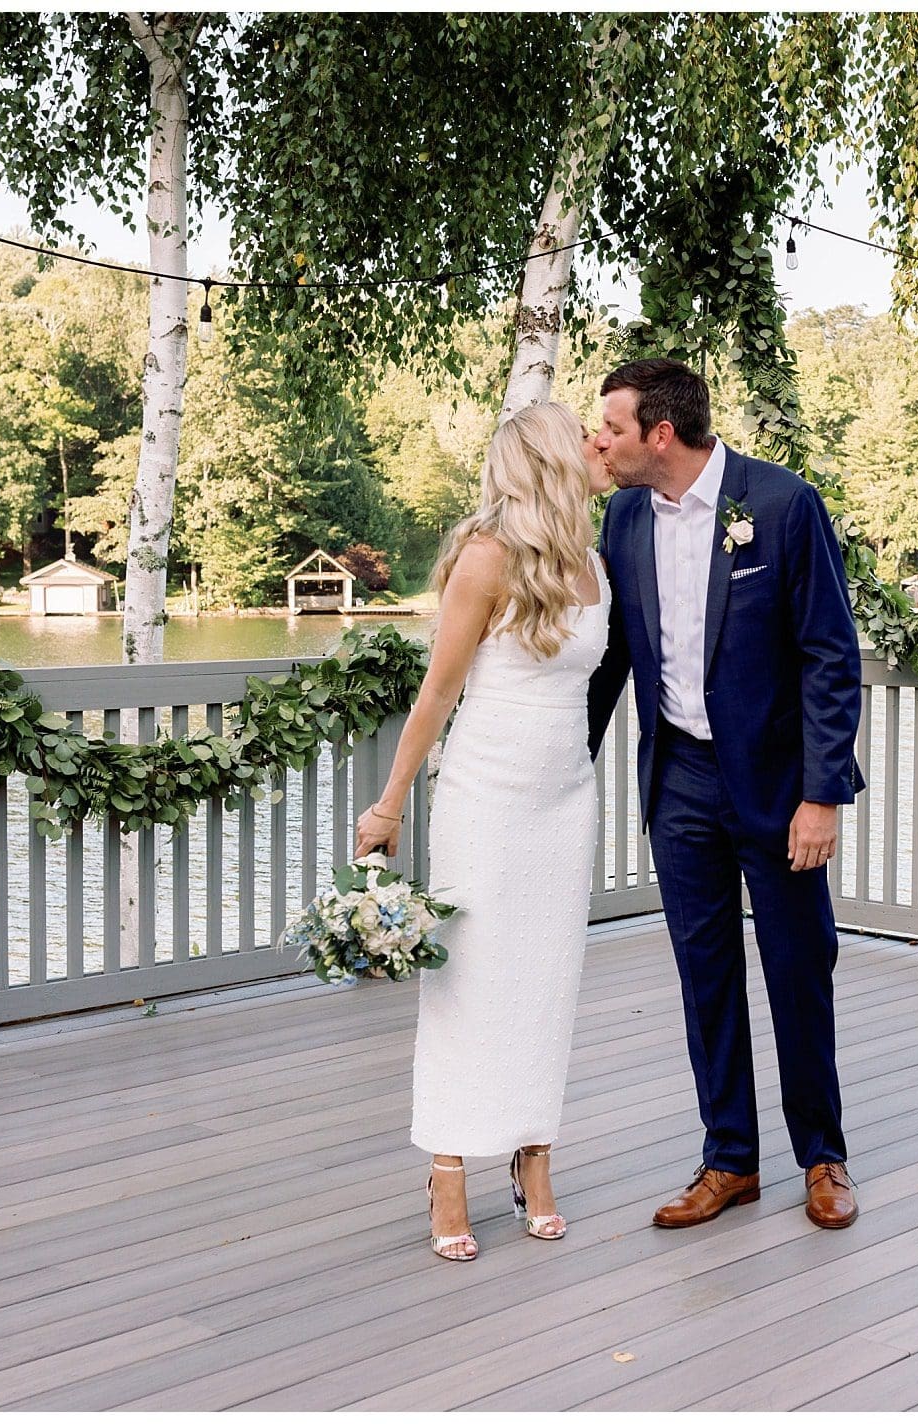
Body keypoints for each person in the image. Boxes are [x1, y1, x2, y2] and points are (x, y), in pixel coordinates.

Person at [585, 357, 866, 1230]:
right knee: (704, 976)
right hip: (679, 783)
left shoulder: (779, 504)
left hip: (778, 790)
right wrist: (563, 757)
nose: (601, 441)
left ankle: (823, 1158)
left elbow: (830, 654)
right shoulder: (625, 515)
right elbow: (612, 654)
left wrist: (822, 795)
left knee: (795, 970)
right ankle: (728, 1161)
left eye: (613, 429)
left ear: (659, 435)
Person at [354, 401, 613, 1263]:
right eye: (584, 435)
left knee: (548, 980)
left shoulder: (594, 564)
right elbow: (438, 692)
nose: (598, 445)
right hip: (486, 795)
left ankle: (535, 1150)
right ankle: (451, 1165)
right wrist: (389, 805)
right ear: (549, 459)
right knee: (469, 984)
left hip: (566, 798)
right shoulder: (483, 557)